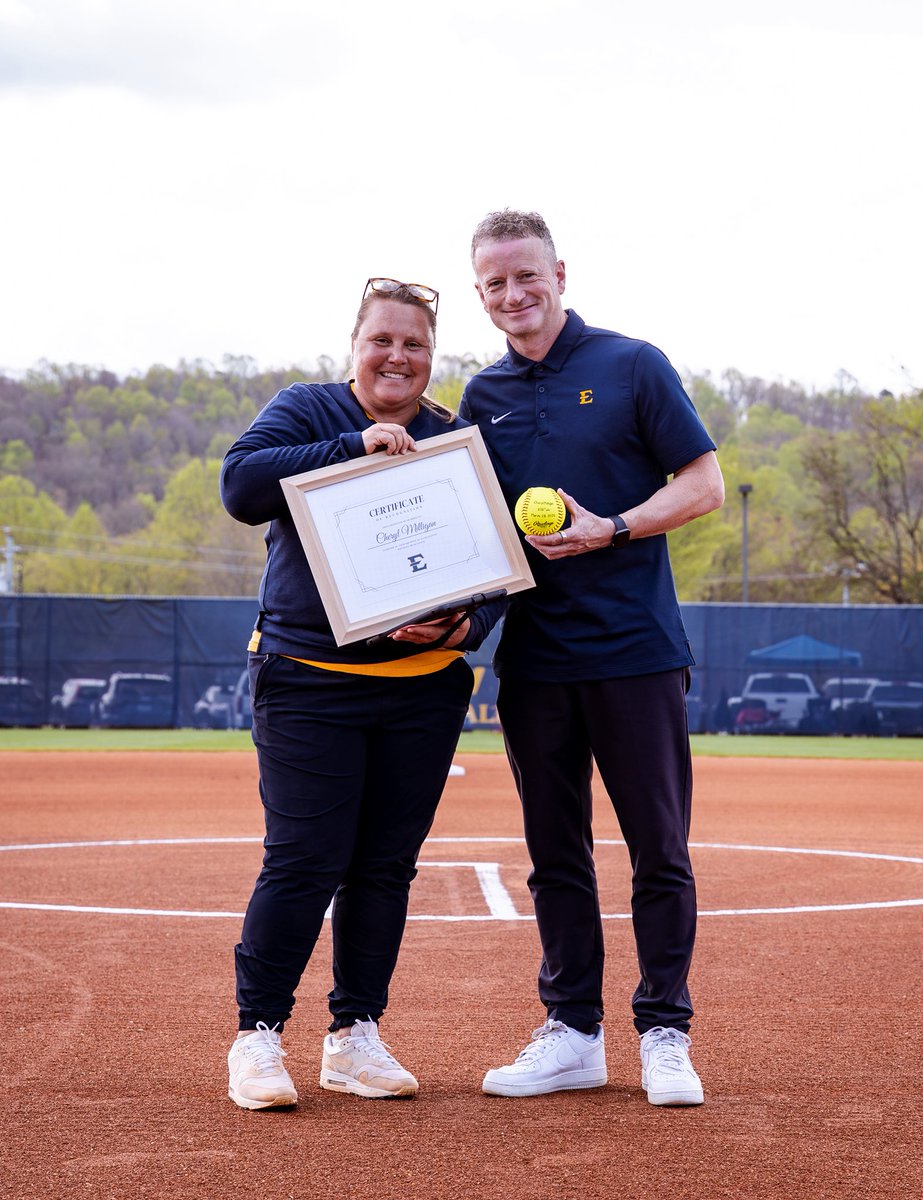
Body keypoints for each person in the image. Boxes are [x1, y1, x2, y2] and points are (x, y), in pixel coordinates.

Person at [459, 211, 725, 1106]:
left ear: (560, 274)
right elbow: (472, 530)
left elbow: (703, 486)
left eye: (526, 275)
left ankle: (665, 1033)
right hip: (535, 660)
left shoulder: (633, 364)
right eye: (495, 283)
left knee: (659, 848)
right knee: (555, 854)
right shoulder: (482, 396)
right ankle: (573, 1033)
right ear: (481, 294)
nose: (513, 295)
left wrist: (611, 527)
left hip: (635, 652)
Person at [220, 277, 503, 1110]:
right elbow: (240, 488)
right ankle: (258, 1034)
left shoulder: (454, 440)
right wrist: (353, 446)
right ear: (355, 345)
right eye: (383, 339)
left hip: (422, 689)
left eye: (415, 344)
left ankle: (355, 1035)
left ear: (432, 356)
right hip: (309, 678)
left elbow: (498, 563)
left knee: (384, 868)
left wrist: (466, 625)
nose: (398, 356)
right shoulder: (307, 409)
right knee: (305, 859)